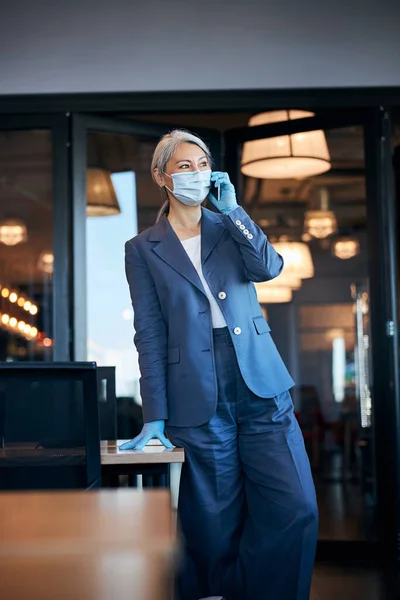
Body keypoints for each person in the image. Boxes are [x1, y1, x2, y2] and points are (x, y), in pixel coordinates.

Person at [121, 129, 318, 600]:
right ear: (161, 176)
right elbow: (149, 333)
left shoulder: (230, 224)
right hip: (195, 389)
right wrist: (155, 414)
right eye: (184, 166)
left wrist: (233, 210)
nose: (196, 173)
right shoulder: (142, 248)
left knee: (296, 507)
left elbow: (269, 268)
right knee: (212, 523)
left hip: (259, 383)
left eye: (202, 163)